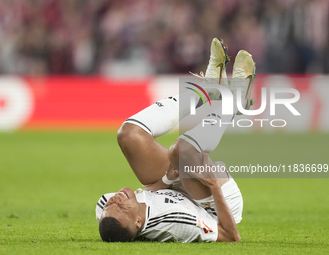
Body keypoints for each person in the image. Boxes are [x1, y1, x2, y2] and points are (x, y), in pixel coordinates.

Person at [96, 38, 256, 242]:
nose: (115, 200)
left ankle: (209, 90)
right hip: (213, 204)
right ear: (138, 222)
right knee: (180, 152)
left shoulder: (105, 210)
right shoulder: (176, 222)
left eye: (111, 205)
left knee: (129, 135)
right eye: (120, 207)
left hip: (170, 185)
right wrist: (214, 186)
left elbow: (151, 196)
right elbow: (230, 236)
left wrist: (167, 180)